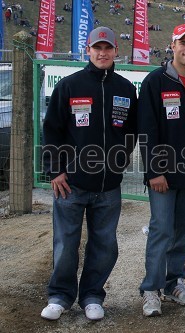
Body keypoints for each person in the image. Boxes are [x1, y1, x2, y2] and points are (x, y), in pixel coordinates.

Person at [41, 27, 138, 321]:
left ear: (116, 51)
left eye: (108, 48)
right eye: (97, 47)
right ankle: (60, 296)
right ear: (88, 50)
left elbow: (131, 131)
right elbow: (52, 130)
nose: (103, 53)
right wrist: (55, 170)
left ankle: (93, 296)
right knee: (66, 244)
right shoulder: (70, 86)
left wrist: (120, 160)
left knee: (105, 245)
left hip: (108, 186)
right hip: (71, 184)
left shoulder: (125, 88)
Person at [138, 23, 185, 317]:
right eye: (184, 43)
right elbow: (147, 130)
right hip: (163, 176)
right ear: (173, 45)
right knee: (161, 230)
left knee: (182, 232)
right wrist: (154, 170)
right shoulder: (156, 81)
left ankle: (173, 282)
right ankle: (151, 289)